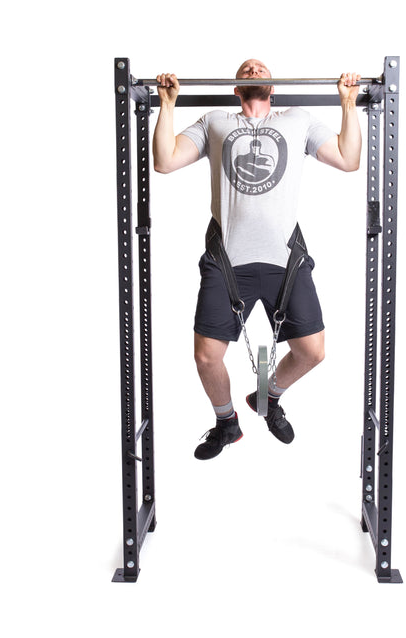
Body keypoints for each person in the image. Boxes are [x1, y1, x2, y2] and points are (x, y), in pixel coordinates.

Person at [153, 59, 361, 460]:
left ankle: (267, 397)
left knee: (313, 352)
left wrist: (348, 104)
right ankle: (227, 423)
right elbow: (165, 161)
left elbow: (348, 159)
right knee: (206, 355)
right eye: (245, 69)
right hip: (228, 261)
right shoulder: (215, 122)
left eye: (259, 68)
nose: (252, 70)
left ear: (273, 85)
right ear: (236, 87)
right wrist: (166, 103)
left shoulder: (297, 121)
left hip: (285, 260)